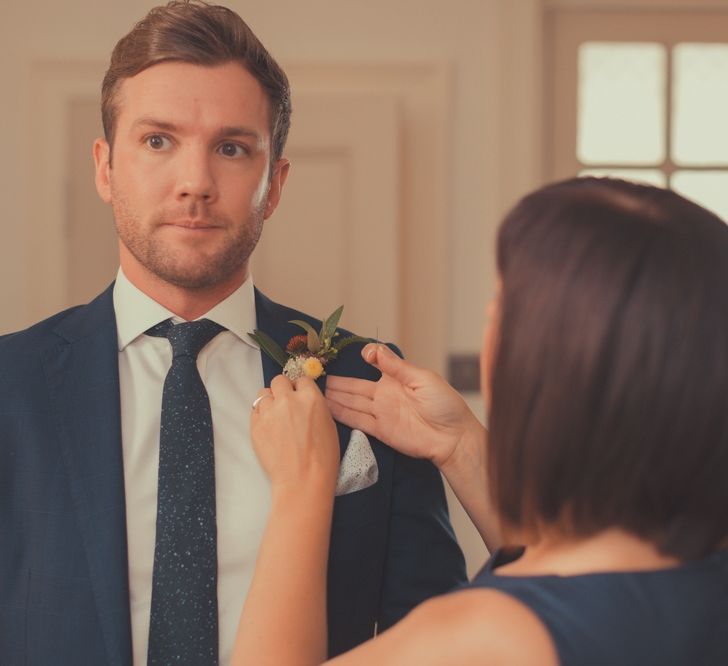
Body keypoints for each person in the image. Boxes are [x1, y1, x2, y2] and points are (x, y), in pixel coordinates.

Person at [0, 2, 466, 664]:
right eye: (158, 141)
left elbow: (437, 639)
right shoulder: (10, 388)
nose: (195, 183)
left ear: (273, 184)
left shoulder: (368, 383)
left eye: (231, 148)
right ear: (105, 168)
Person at [233, 177, 728, 665]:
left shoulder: (486, 638)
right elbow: (575, 578)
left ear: (537, 363)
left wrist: (302, 487)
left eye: (502, 306)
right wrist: (459, 445)